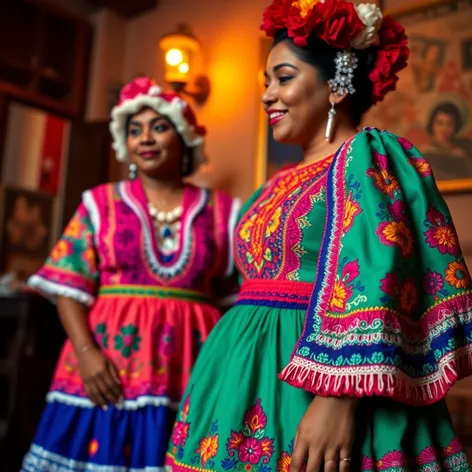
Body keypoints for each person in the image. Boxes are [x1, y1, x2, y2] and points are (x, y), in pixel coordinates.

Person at [165, 1, 472, 471]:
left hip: (323, 381)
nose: (268, 95)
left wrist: (339, 398)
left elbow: (380, 273)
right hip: (237, 376)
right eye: (266, 82)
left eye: (283, 78)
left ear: (336, 85)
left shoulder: (365, 157)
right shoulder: (274, 183)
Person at [21, 77, 241, 472]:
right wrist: (87, 355)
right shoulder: (99, 203)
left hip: (192, 368)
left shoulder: (224, 212)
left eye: (158, 127)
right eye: (135, 130)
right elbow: (69, 286)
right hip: (108, 366)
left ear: (184, 137)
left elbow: (237, 299)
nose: (146, 138)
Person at [423, 101, 472, 180]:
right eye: (440, 123)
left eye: (449, 124)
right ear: (432, 125)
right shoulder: (426, 155)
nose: (444, 129)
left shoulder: (464, 150)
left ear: (455, 127)